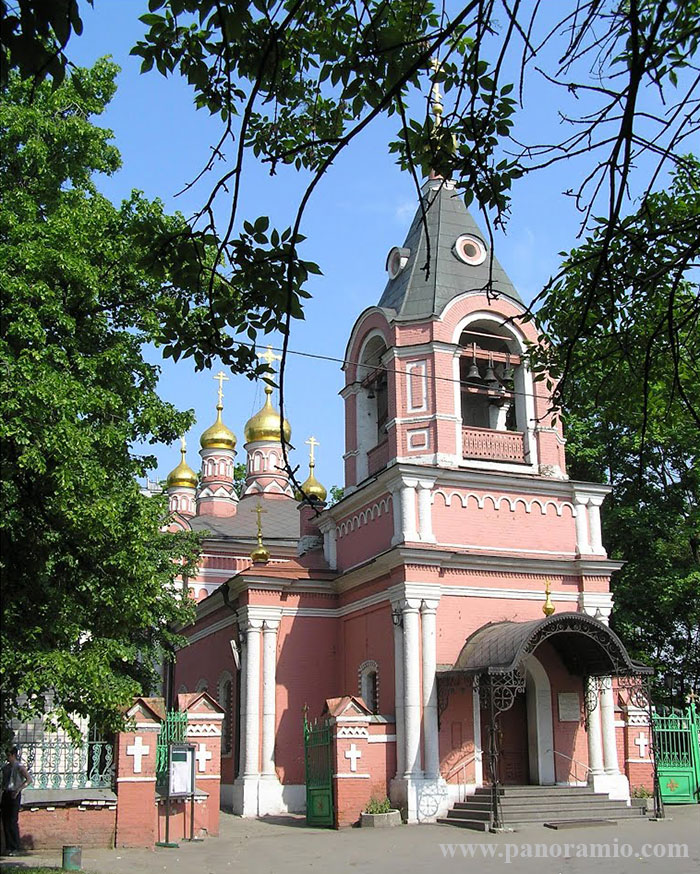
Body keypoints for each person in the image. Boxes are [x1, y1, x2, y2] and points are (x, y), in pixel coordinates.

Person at [1, 747, 31, 856]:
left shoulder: (19, 767)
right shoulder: (5, 768)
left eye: (9, 755)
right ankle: (9, 847)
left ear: (14, 755)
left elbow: (29, 779)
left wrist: (18, 789)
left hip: (14, 794)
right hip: (6, 794)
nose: (7, 757)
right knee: (5, 821)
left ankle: (15, 847)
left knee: (12, 821)